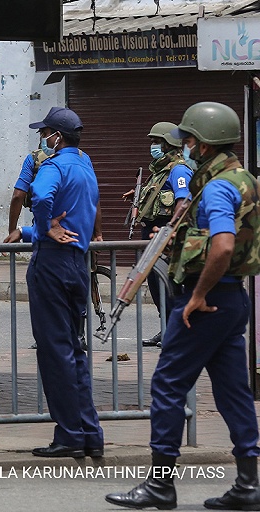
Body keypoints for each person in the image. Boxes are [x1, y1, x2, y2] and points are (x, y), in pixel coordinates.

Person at [106, 102, 260, 510]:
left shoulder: (218, 186)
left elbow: (224, 244)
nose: (185, 148)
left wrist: (196, 295)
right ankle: (248, 482)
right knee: (232, 392)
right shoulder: (242, 178)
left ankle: (160, 483)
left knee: (168, 386)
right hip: (231, 300)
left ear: (205, 145)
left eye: (189, 141)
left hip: (205, 303)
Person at [25, 107, 104, 458]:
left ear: (56, 136)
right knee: (74, 351)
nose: (43, 139)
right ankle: (90, 433)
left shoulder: (54, 166)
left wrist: (42, 228)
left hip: (53, 263)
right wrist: (31, 231)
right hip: (77, 263)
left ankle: (69, 434)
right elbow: (80, 214)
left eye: (45, 133)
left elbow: (40, 198)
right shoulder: (86, 167)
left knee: (55, 352)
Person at [122, 122, 192, 347]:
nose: (152, 146)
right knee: (154, 283)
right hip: (151, 235)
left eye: (156, 142)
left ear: (168, 143)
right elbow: (158, 194)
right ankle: (166, 329)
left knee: (169, 285)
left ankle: (177, 331)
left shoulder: (179, 169)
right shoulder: (159, 171)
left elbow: (182, 201)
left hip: (165, 235)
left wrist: (173, 231)